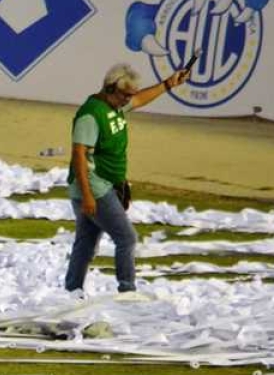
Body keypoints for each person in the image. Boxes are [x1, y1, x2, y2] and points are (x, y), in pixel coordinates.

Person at [65, 62, 191, 294]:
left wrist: (168, 84)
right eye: (125, 95)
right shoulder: (90, 115)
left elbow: (140, 99)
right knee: (127, 238)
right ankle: (127, 289)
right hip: (95, 186)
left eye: (129, 95)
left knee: (86, 242)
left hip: (103, 185)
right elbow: (79, 156)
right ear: (111, 89)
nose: (128, 100)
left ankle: (73, 290)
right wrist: (88, 196)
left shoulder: (115, 106)